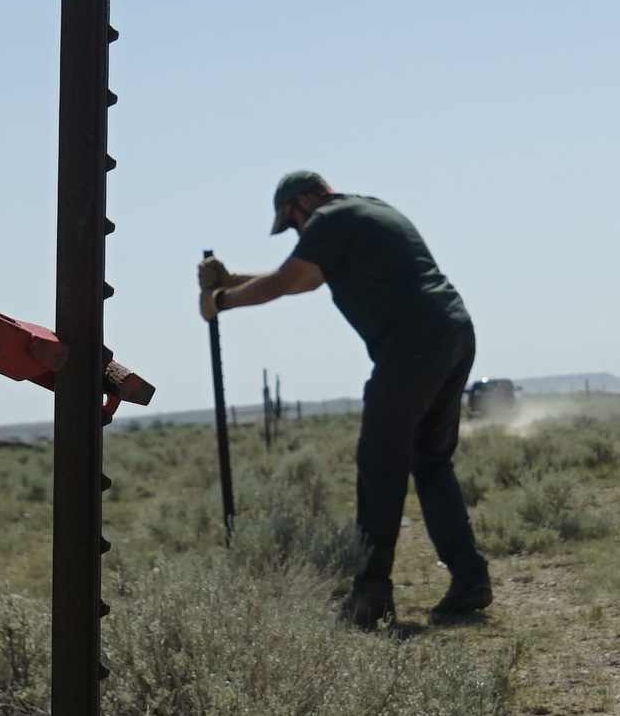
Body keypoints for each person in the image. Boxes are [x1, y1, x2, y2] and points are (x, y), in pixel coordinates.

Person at [200, 173, 490, 627]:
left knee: (381, 466)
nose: (297, 234)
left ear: (302, 202)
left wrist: (221, 300)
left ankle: (371, 592)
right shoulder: (366, 208)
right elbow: (307, 275)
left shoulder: (331, 219)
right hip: (452, 334)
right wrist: (233, 280)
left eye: (292, 225)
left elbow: (288, 281)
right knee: (430, 461)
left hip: (410, 348)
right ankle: (469, 577)